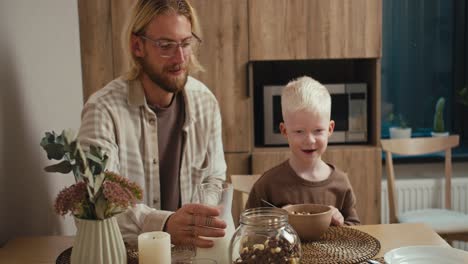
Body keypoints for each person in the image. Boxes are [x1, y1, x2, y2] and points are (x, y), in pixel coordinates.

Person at [78, 0, 228, 247]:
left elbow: (215, 179)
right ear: (137, 46)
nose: (180, 58)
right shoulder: (103, 110)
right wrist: (165, 224)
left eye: (186, 43)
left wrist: (200, 220)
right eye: (166, 46)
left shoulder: (206, 102)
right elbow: (97, 202)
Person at [245, 76, 360, 226]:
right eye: (299, 131)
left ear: (330, 129)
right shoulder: (267, 185)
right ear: (284, 131)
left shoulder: (341, 183)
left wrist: (340, 222)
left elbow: (356, 230)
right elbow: (247, 231)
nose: (310, 140)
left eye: (318, 130)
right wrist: (276, 220)